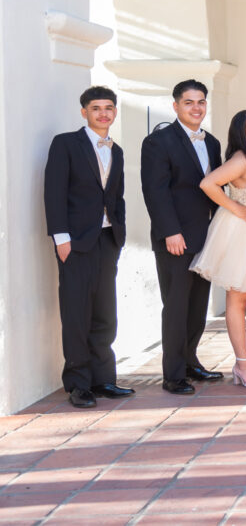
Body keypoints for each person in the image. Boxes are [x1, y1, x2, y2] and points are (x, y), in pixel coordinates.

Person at [44, 86, 134, 408]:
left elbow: (117, 196)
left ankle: (104, 379)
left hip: (107, 241)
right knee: (77, 313)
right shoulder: (66, 144)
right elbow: (54, 191)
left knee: (105, 314)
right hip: (75, 243)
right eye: (96, 108)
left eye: (109, 108)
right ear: (84, 112)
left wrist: (119, 235)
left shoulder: (118, 151)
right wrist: (61, 238)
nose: (103, 114)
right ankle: (79, 384)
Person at [141, 79, 224, 395]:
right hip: (175, 239)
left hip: (206, 237)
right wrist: (170, 233)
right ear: (175, 106)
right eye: (189, 102)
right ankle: (173, 374)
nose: (196, 107)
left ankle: (190, 362)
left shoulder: (212, 143)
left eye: (201, 101)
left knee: (197, 304)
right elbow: (155, 192)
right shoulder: (158, 142)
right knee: (175, 306)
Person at [190, 110, 246, 387]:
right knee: (238, 298)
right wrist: (236, 207)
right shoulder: (242, 159)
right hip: (242, 232)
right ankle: (241, 363)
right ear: (243, 134)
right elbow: (208, 184)